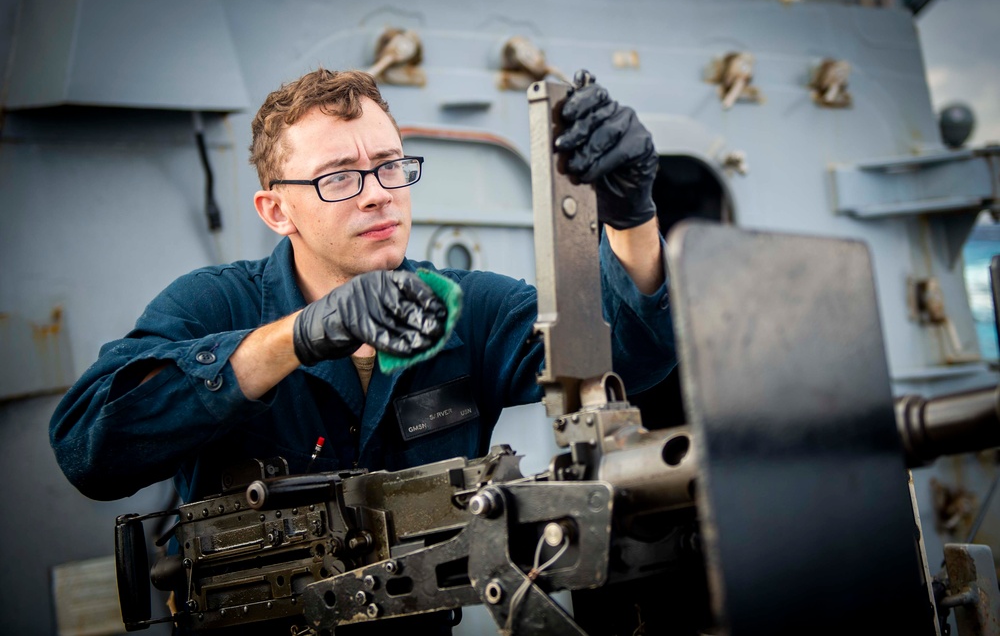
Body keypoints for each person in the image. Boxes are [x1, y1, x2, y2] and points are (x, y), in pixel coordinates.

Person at [49, 67, 676, 631]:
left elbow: (627, 354)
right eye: (339, 179)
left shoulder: (470, 310)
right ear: (276, 210)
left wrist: (629, 217)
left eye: (389, 166)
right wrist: (298, 338)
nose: (378, 192)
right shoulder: (214, 307)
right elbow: (89, 447)